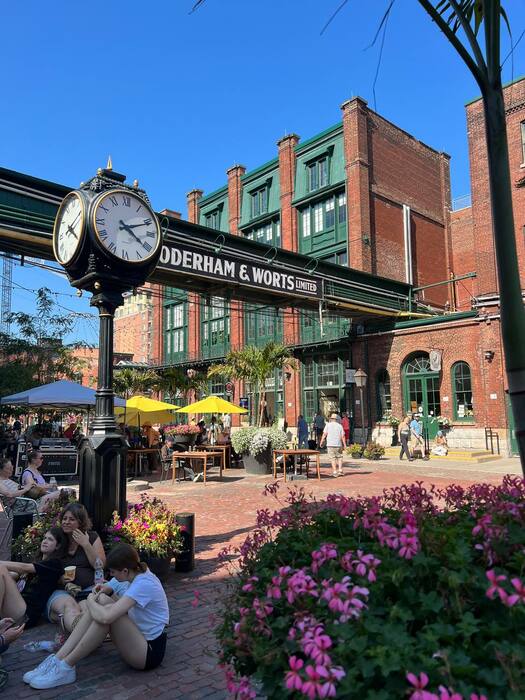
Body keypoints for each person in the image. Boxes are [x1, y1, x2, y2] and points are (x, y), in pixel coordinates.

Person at [26, 543, 169, 690]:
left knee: (105, 615)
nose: (111, 575)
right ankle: (58, 659)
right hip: (137, 637)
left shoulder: (143, 584)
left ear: (125, 570)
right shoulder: (132, 572)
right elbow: (107, 588)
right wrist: (102, 591)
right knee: (101, 601)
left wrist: (89, 600)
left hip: (149, 652)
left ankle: (66, 666)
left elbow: (107, 617)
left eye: (113, 572)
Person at [0, 527, 74, 630]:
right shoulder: (37, 561)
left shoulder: (54, 564)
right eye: (44, 538)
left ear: (58, 546)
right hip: (15, 607)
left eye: (50, 539)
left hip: (26, 615)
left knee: (1, 569)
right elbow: (15, 574)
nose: (45, 541)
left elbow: (24, 567)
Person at [46, 503, 105, 614]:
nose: (66, 522)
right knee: (73, 610)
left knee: (90, 608)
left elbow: (100, 565)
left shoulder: (91, 537)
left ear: (81, 522)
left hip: (89, 589)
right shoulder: (58, 538)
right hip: (63, 591)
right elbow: (46, 565)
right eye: (64, 518)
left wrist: (86, 544)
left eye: (72, 519)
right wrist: (60, 579)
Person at [0, 457, 34, 560]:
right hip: (20, 505)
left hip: (25, 503)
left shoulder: (10, 480)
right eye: (9, 468)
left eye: (12, 467)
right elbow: (9, 494)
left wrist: (28, 486)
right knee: (49, 499)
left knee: (50, 496)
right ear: (1, 470)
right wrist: (26, 488)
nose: (12, 469)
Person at [320, 413, 346, 477]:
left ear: (331, 419)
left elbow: (324, 434)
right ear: (336, 419)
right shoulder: (340, 426)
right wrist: (344, 444)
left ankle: (335, 471)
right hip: (338, 444)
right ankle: (340, 470)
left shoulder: (328, 425)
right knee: (339, 457)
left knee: (332, 458)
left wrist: (321, 441)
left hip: (330, 444)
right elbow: (343, 436)